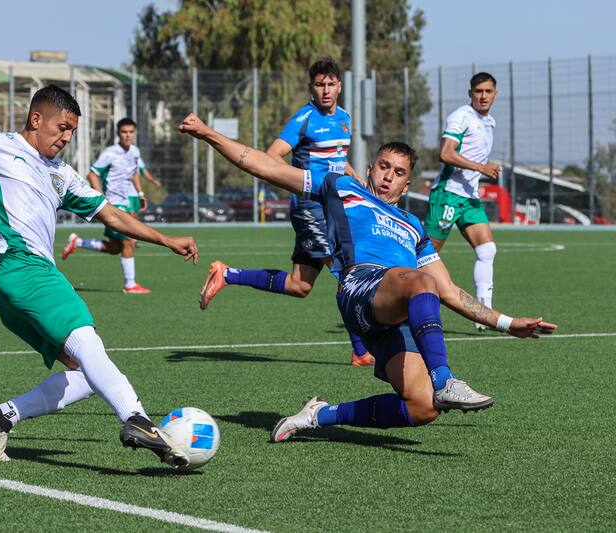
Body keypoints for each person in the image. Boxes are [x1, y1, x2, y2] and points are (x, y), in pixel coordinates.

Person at [0, 85, 198, 468]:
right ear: (36, 119)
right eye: (62, 127)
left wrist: (165, 239)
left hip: (12, 289)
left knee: (86, 372)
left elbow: (112, 216)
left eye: (72, 132)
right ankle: (136, 418)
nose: (66, 138)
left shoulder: (61, 175)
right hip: (22, 265)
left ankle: (2, 417)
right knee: (87, 340)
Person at [178, 113, 555, 440]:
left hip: (396, 311)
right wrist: (208, 133)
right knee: (420, 282)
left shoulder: (413, 226)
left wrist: (507, 323)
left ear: (408, 185)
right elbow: (262, 165)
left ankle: (318, 415)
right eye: (384, 167)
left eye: (399, 173)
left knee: (422, 408)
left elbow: (452, 292)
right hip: (361, 287)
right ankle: (446, 380)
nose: (389, 176)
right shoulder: (341, 187)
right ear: (371, 168)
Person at [197, 57, 374, 366]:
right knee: (348, 274)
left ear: (340, 86)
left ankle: (227, 274)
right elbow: (273, 155)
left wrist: (356, 178)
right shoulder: (304, 118)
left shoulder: (344, 117)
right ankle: (361, 351)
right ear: (312, 87)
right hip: (312, 210)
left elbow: (337, 158)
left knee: (300, 285)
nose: (326, 90)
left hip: (334, 208)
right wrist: (298, 184)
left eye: (331, 84)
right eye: (320, 85)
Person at [425, 72, 500, 331]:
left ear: (495, 94)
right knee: (424, 256)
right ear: (470, 94)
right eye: (478, 91)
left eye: (488, 91)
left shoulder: (489, 122)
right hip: (448, 194)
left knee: (487, 250)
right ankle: (393, 298)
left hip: (469, 197)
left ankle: (484, 312)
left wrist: (480, 173)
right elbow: (445, 153)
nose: (483, 96)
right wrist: (481, 167)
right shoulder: (461, 117)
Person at [62, 117, 162, 294]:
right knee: (130, 240)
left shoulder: (134, 152)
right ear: (118, 133)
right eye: (124, 132)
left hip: (125, 202)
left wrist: (139, 194)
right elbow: (92, 174)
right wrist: (100, 196)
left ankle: (78, 242)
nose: (128, 135)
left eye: (131, 132)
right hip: (114, 205)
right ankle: (130, 284)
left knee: (116, 248)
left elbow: (134, 174)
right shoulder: (110, 153)